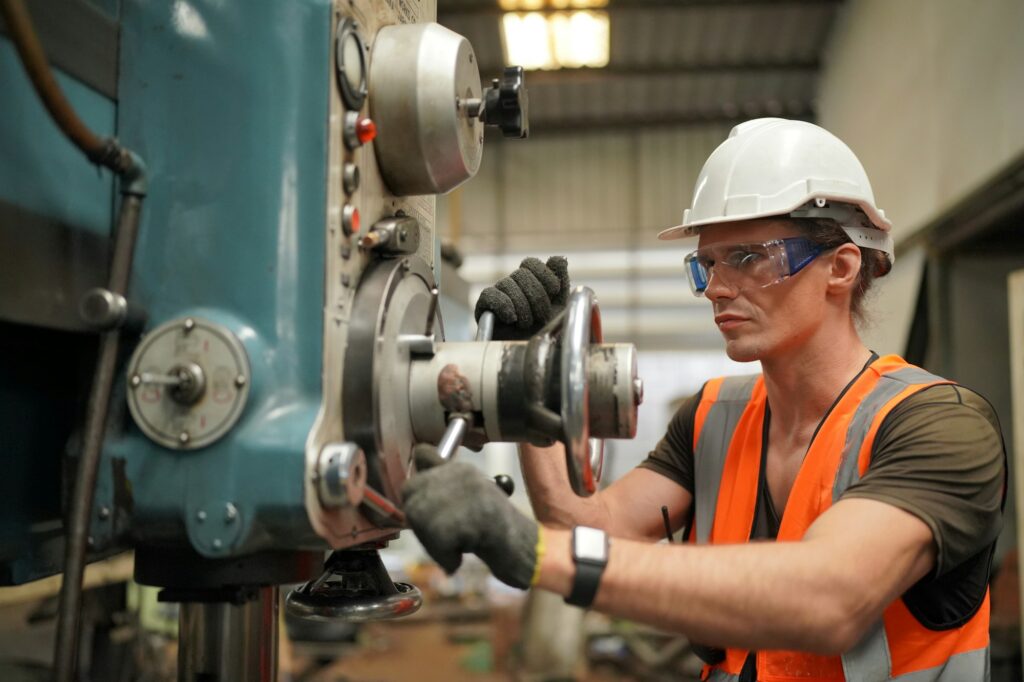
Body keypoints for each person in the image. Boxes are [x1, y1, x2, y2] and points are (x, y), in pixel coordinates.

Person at [402, 118, 1005, 681]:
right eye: (707, 263)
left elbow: (831, 599)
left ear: (842, 266)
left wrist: (530, 551)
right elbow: (588, 528)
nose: (716, 288)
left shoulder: (940, 427)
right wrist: (526, 374)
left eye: (747, 258)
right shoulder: (713, 415)